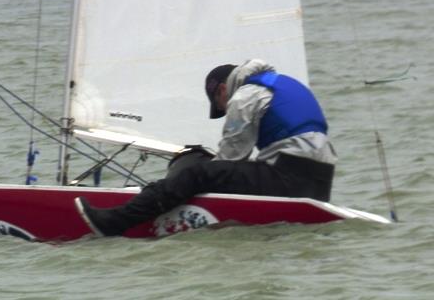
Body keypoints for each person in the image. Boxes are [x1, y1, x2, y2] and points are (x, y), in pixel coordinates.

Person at [75, 58, 337, 236]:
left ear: (223, 90)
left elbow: (231, 159)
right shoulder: (283, 84)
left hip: (288, 177)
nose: (224, 110)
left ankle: (115, 222)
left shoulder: (245, 95)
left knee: (198, 174)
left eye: (220, 106)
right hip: (320, 183)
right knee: (213, 172)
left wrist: (185, 181)